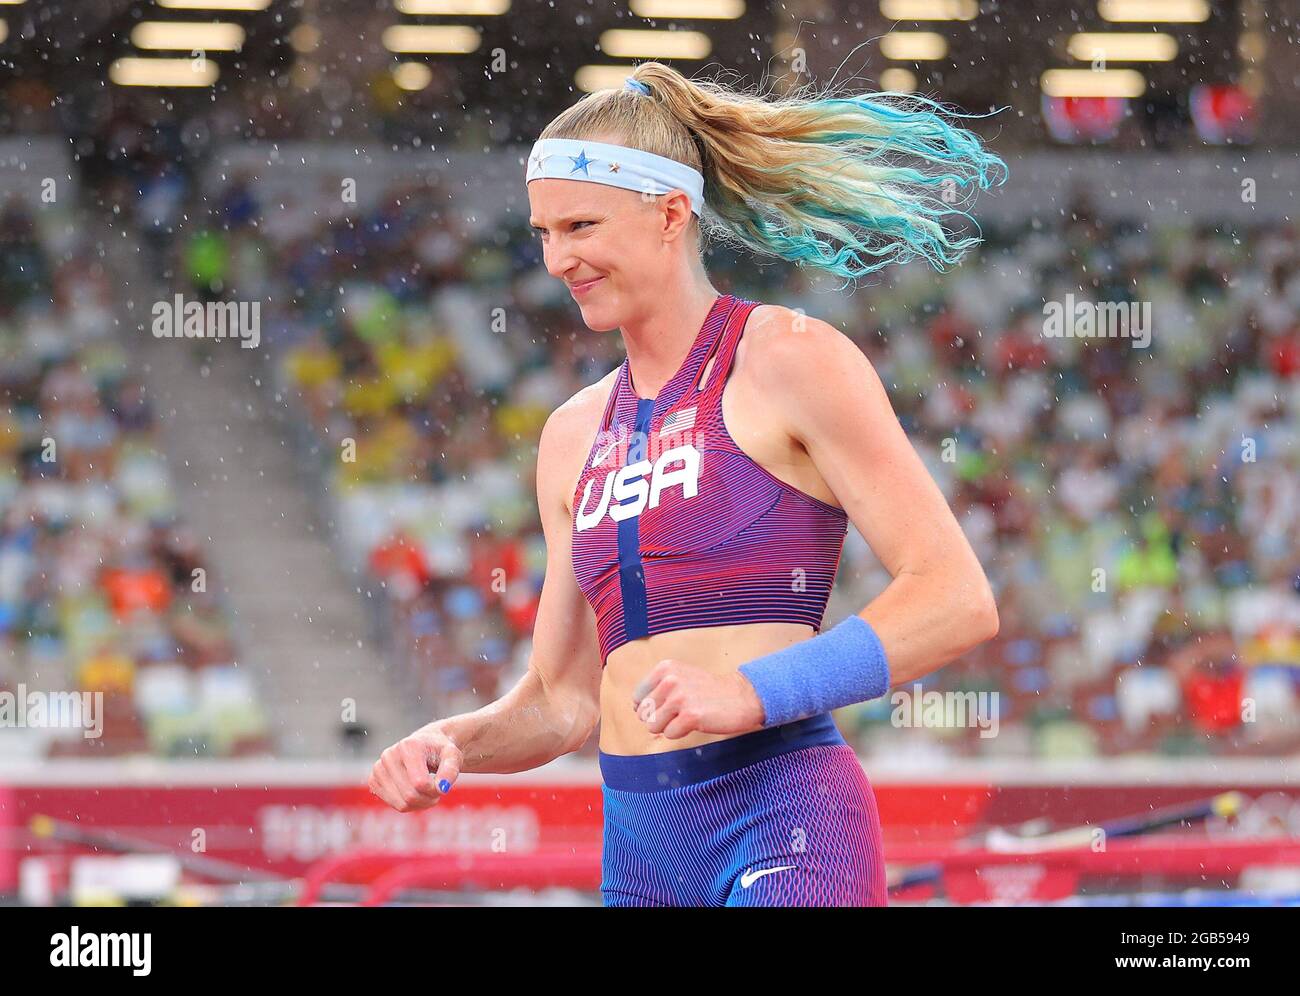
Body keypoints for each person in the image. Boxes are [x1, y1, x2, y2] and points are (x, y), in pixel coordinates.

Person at [369, 62, 1006, 906]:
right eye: (543, 233)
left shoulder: (789, 359)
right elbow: (562, 700)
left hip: (783, 813)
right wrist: (454, 740)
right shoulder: (569, 436)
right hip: (639, 848)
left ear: (671, 214)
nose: (559, 259)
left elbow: (956, 598)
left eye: (581, 225)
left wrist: (750, 691)